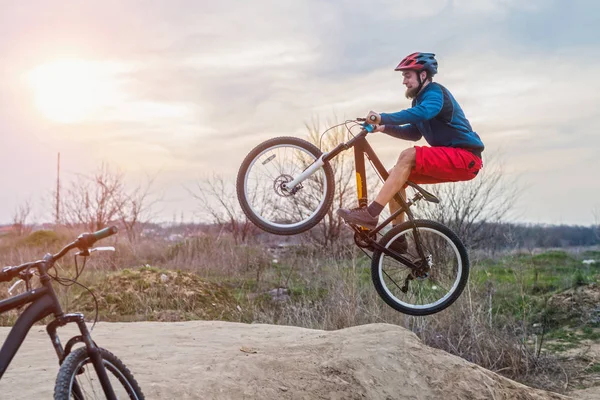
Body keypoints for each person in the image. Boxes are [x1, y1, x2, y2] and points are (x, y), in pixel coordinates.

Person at [337, 52, 484, 251]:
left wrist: (382, 117)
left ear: (423, 75)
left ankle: (370, 213)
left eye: (408, 76)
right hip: (454, 159)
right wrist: (384, 127)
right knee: (396, 177)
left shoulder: (434, 93)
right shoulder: (418, 102)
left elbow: (424, 113)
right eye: (403, 77)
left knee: (407, 156)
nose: (404, 81)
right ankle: (398, 239)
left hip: (466, 157)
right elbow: (413, 133)